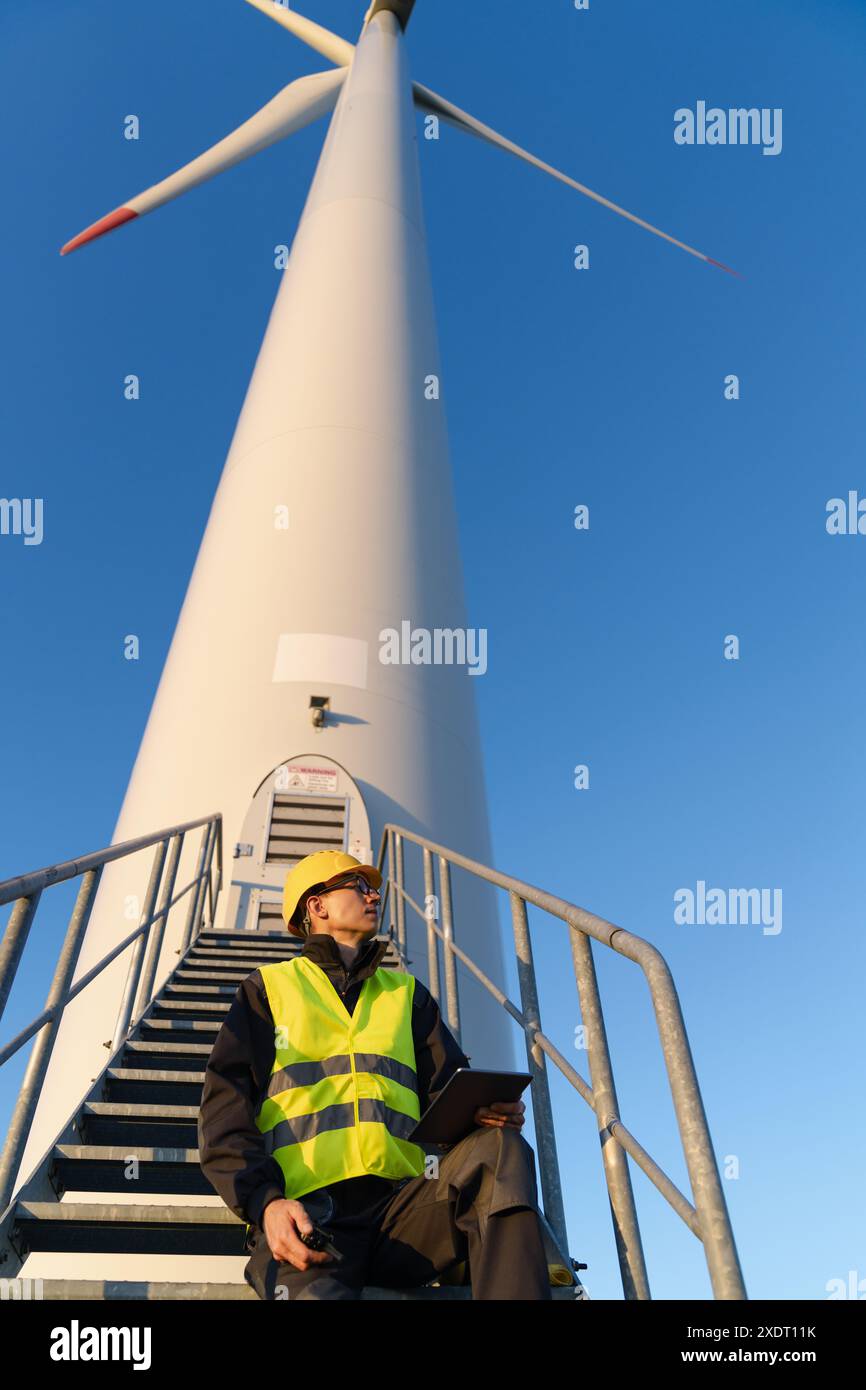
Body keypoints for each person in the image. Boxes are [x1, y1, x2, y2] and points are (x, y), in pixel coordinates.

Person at [197, 850, 553, 1299]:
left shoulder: (406, 995)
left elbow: (447, 1096)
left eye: (374, 888)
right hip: (311, 1220)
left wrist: (485, 1114)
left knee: (499, 1150)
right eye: (359, 887)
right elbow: (224, 1113)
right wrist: (265, 1203)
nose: (375, 894)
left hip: (403, 1214)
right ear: (317, 906)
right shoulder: (266, 991)